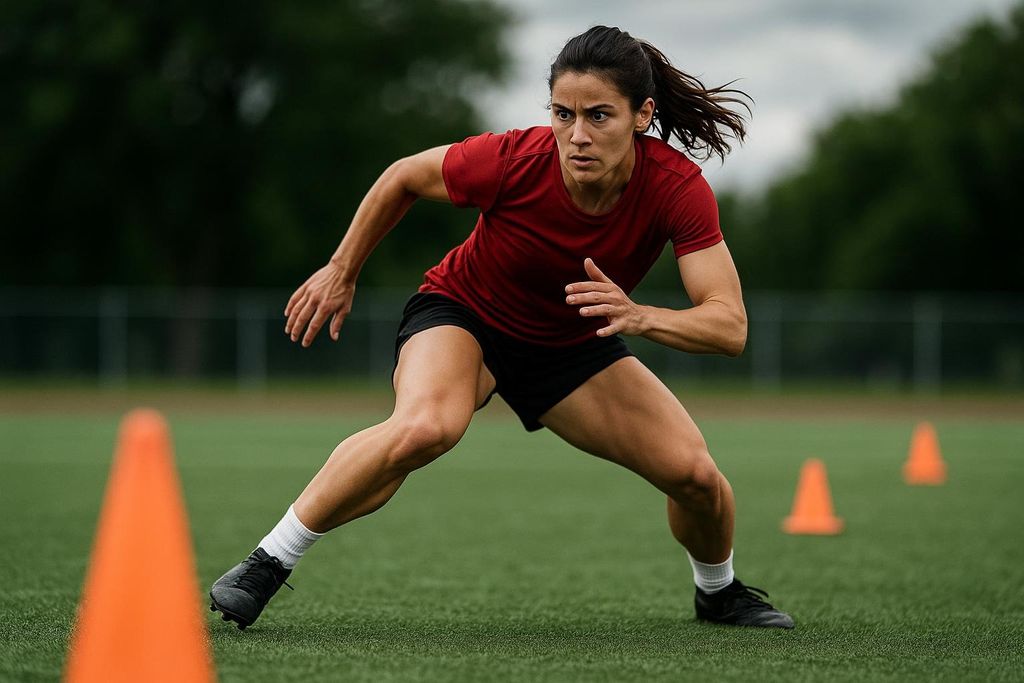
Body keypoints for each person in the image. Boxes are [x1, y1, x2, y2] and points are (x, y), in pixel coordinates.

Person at [210, 25, 794, 630]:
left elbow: (729, 327)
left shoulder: (676, 187)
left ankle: (718, 593)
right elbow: (404, 176)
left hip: (570, 346)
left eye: (599, 116)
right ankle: (264, 565)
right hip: (464, 315)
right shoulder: (514, 159)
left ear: (642, 114)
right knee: (425, 427)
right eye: (563, 114)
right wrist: (342, 268)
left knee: (696, 477)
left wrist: (641, 317)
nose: (578, 135)